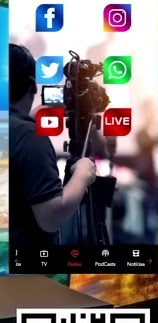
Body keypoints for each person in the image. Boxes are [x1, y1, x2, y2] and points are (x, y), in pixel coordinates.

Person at [7, 43, 96, 248]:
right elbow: (51, 217)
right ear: (33, 85)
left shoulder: (17, 131)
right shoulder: (29, 136)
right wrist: (83, 174)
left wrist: (25, 120)